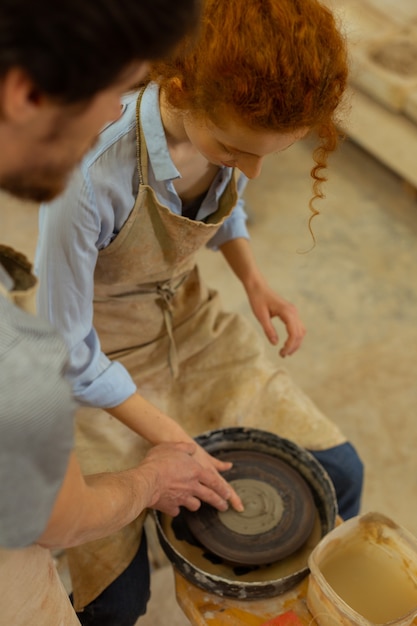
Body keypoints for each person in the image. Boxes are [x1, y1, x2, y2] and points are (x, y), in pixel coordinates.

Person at [36, 0, 364, 623]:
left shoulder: (228, 138)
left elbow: (225, 199)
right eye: (237, 148)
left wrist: (253, 280)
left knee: (341, 474)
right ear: (180, 90)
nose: (255, 172)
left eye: (272, 154)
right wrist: (172, 443)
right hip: (93, 357)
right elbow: (66, 348)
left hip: (189, 321)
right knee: (116, 598)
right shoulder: (87, 175)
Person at [0, 1, 244, 625]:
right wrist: (150, 480)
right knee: (108, 595)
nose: (119, 115)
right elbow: (59, 518)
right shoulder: (17, 362)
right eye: (116, 90)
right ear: (27, 93)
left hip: (171, 324)